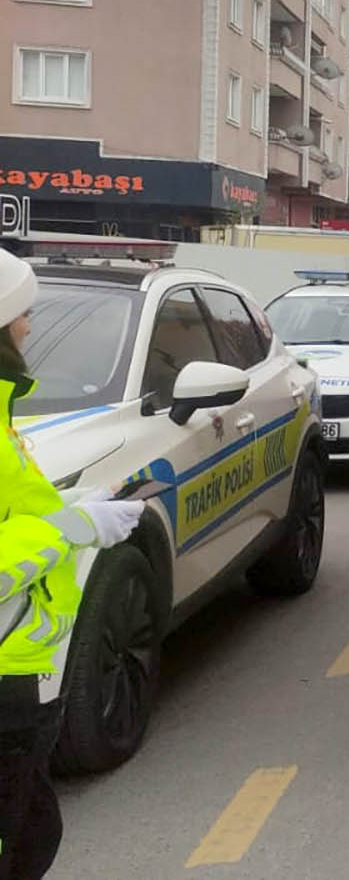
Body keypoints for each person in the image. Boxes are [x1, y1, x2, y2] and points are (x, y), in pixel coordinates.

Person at [0, 250, 146, 880]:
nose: (30, 327)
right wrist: (74, 527)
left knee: (33, 829)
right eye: (23, 314)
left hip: (20, 666)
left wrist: (69, 505)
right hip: (5, 672)